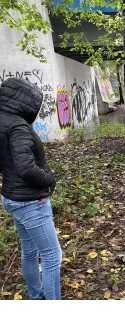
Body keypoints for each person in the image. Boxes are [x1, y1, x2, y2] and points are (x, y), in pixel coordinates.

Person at [0, 78, 61, 300]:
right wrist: (49, 179)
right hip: (30, 201)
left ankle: (37, 297)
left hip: (13, 198)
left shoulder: (3, 122)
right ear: (27, 102)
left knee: (29, 251)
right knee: (52, 256)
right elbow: (26, 168)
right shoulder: (18, 127)